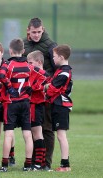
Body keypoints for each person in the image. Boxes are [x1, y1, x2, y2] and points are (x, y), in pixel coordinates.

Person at [0, 38, 45, 172]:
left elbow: (1, 74)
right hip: (25, 103)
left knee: (8, 134)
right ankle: (27, 165)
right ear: (23, 51)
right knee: (27, 134)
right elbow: (43, 75)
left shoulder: (8, 65)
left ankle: (4, 165)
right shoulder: (29, 66)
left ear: (10, 50)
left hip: (11, 102)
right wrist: (32, 87)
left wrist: (8, 86)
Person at [23, 17, 57, 170]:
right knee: (33, 128)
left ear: (43, 30)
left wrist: (44, 80)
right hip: (29, 94)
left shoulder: (50, 45)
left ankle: (46, 163)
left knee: (47, 128)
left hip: (45, 93)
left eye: (39, 32)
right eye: (33, 32)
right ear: (28, 31)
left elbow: (58, 67)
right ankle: (36, 161)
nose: (36, 35)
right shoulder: (23, 45)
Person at [45, 44, 73, 172]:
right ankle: (64, 164)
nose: (53, 59)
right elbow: (50, 82)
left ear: (61, 57)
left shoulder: (64, 73)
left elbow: (51, 90)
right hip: (57, 106)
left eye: (55, 57)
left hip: (61, 106)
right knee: (60, 135)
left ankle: (65, 165)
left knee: (61, 135)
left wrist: (47, 87)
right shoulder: (60, 70)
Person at [27, 50, 49, 170]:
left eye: (30, 62)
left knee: (37, 133)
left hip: (36, 105)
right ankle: (40, 163)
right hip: (33, 105)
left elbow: (39, 87)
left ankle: (39, 163)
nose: (29, 65)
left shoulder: (43, 74)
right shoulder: (34, 73)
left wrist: (30, 88)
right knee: (34, 133)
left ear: (39, 62)